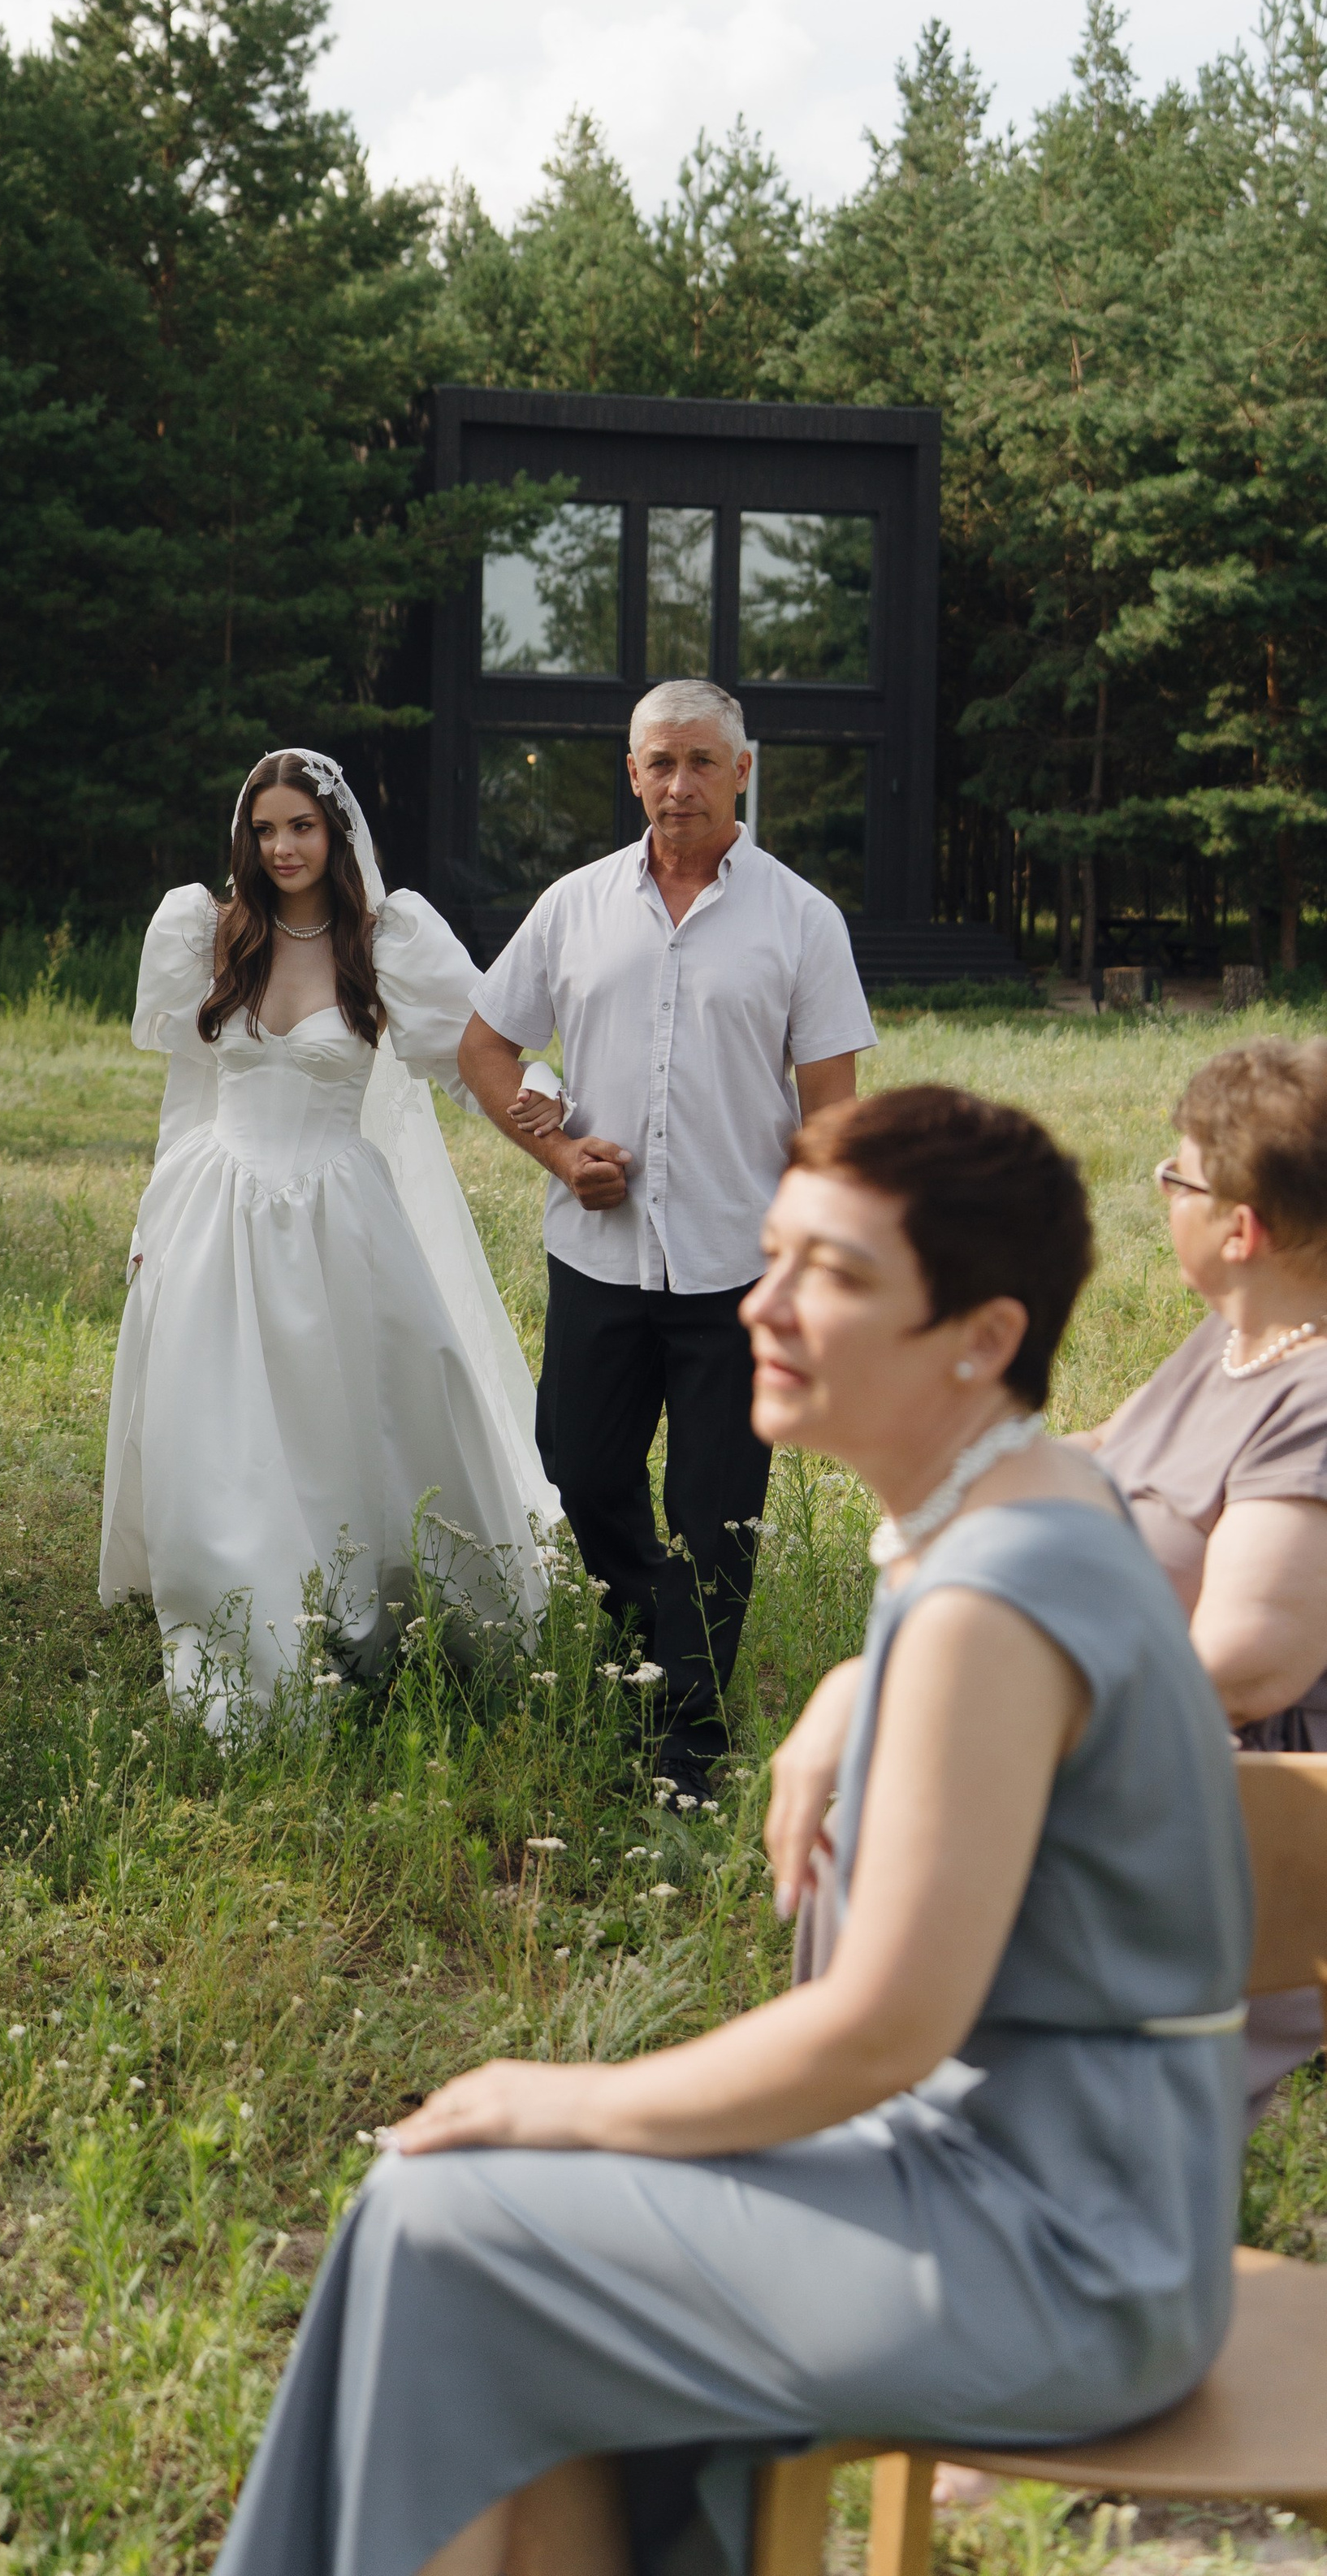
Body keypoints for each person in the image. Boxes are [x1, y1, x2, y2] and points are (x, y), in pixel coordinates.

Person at [213, 1084, 1250, 2576]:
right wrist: (850, 1686)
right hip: (1019, 2189)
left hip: (1057, 2254)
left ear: (983, 1337)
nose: (762, 1305)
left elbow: (881, 2031)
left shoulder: (988, 1602)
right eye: (772, 1256)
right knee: (447, 2229)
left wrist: (558, 2096)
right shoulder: (1025, 1504)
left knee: (449, 2228)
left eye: (830, 1274)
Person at [460, 677, 876, 1801]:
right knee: (582, 1473)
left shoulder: (802, 919)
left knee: (716, 1512)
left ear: (743, 770)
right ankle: (648, 1639)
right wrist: (558, 1154)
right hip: (598, 1260)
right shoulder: (574, 905)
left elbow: (833, 1118)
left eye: (702, 762)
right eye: (659, 763)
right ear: (631, 773)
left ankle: (687, 1742)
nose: (679, 784)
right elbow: (487, 1049)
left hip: (741, 1269)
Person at [102, 747, 556, 1727]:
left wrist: (558, 1115)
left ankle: (377, 1591)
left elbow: (475, 1056)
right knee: (222, 1414)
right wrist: (155, 1223)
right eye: (263, 829)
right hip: (216, 1200)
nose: (281, 847)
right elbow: (189, 1094)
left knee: (362, 1398)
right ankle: (242, 1609)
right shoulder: (205, 932)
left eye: (299, 827)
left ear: (335, 833)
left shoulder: (387, 940)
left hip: (336, 1206)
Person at [1088, 1035, 1327, 2111]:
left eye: (1176, 1177)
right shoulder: (1236, 1336)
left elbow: (1250, 1662)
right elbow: (1104, 1453)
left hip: (1224, 1810)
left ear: (1243, 1227)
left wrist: (1028, 1699)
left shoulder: (1315, 1393)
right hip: (1139, 1765)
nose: (1163, 1195)